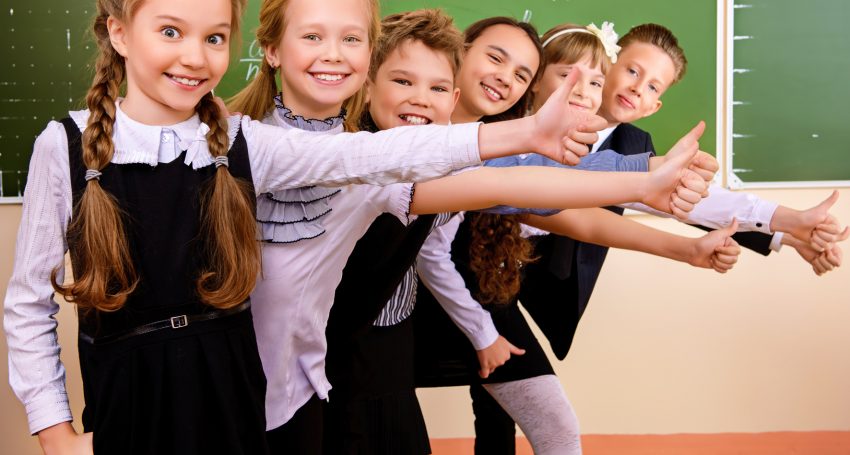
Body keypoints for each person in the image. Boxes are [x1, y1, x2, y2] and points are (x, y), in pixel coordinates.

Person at [2, 1, 685, 452]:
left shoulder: (246, 143)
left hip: (245, 387)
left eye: (213, 38)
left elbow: (391, 155)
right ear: (120, 32)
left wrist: (569, 150)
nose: (194, 56)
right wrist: (56, 431)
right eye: (170, 31)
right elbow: (27, 304)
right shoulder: (65, 147)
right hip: (132, 391)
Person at [225, 3, 707, 452]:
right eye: (403, 81)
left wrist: (646, 182)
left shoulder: (388, 174)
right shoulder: (263, 142)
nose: (421, 99)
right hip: (250, 376)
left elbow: (519, 184)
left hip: (319, 377)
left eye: (437, 89)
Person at [456, 22, 849, 454]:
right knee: (505, 402)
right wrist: (787, 225)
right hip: (465, 266)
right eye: (631, 71)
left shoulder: (632, 144)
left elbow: (687, 201)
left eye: (651, 85)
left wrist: (786, 230)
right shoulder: (507, 120)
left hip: (527, 276)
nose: (635, 88)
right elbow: (585, 202)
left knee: (510, 400)